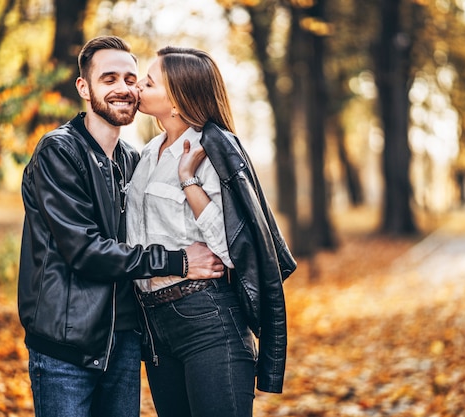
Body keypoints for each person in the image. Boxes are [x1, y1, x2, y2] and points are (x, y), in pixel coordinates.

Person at [17, 36, 225, 417]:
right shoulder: (59, 151)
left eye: (132, 79)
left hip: (126, 341)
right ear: (84, 87)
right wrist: (179, 261)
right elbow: (84, 250)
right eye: (108, 78)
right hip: (67, 345)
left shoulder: (136, 160)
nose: (123, 89)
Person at [127, 46, 297, 417]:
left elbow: (233, 247)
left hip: (207, 320)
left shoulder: (213, 149)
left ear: (176, 101)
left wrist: (189, 180)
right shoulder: (146, 154)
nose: (138, 86)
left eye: (149, 82)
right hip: (155, 326)